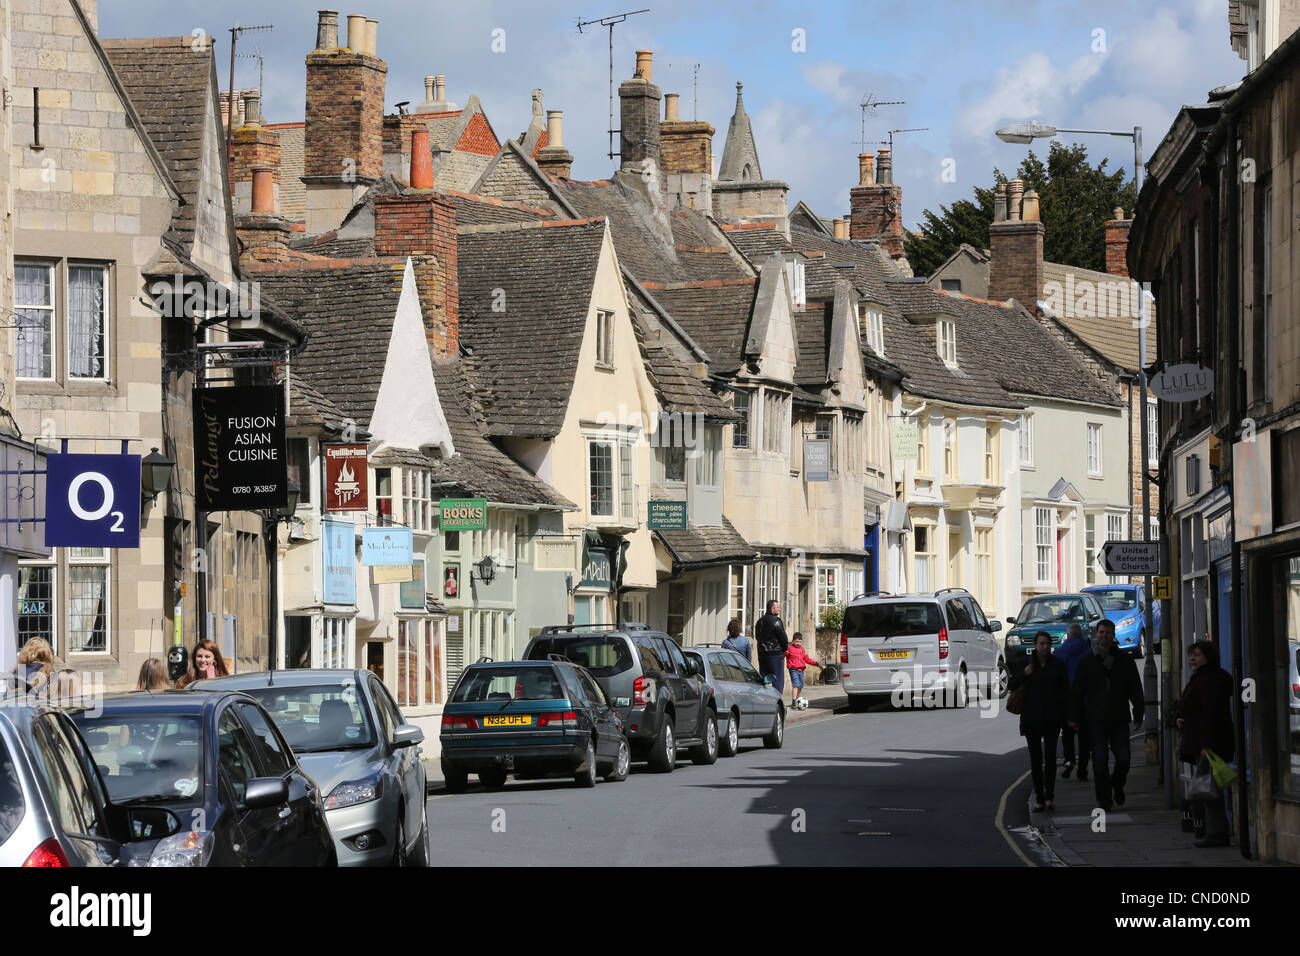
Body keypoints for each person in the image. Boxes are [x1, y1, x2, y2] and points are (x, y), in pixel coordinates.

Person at [1068, 619, 1144, 811]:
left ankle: (1117, 784)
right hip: (1095, 718)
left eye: (1108, 633)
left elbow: (1135, 687)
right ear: (1096, 634)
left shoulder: (1124, 659)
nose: (1104, 636)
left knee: (1124, 759)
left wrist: (1138, 712)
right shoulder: (1086, 661)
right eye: (1101, 632)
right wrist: (1074, 716)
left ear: (1113, 635)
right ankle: (1104, 799)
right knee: (1099, 761)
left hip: (1119, 717)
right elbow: (1077, 691)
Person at [1176, 640, 1235, 847]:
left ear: (1208, 657)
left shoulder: (1209, 680)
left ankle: (1217, 833)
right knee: (1211, 787)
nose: (1192, 658)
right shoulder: (1203, 678)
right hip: (1206, 740)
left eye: (1198, 654)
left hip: (1209, 743)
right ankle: (1216, 831)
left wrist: (1206, 745)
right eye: (1191, 654)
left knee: (1208, 789)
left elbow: (1210, 714)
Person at [1010, 630, 1070, 812]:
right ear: (1035, 646)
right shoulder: (1025, 664)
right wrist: (1024, 674)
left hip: (1052, 719)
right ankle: (1039, 798)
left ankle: (1050, 796)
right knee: (1035, 761)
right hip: (1031, 719)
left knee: (1050, 759)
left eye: (1047, 644)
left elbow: (1065, 691)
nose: (1044, 647)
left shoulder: (1058, 665)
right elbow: (1011, 685)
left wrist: (1068, 717)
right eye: (1041, 644)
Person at [1054, 623, 1093, 781]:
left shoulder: (1059, 653)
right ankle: (1082, 771)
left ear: (1068, 636)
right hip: (1085, 701)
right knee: (1084, 738)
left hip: (1066, 701)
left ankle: (1069, 760)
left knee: (1067, 735)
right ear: (1081, 636)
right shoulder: (1089, 652)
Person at [754, 600, 789, 695]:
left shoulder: (759, 621)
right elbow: (783, 638)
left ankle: (763, 699)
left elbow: (757, 637)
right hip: (775, 654)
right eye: (778, 607)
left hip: (762, 654)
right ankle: (777, 702)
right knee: (778, 681)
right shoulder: (776, 621)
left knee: (764, 679)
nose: (780, 609)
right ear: (772, 609)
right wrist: (785, 648)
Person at [784, 632, 821, 705]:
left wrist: (817, 664)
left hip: (801, 670)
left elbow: (807, 660)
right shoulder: (789, 648)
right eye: (796, 641)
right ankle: (794, 702)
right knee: (796, 685)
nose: (798, 643)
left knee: (800, 686)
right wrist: (785, 652)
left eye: (800, 642)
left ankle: (797, 700)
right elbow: (783, 655)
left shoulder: (802, 650)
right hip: (793, 669)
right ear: (793, 641)